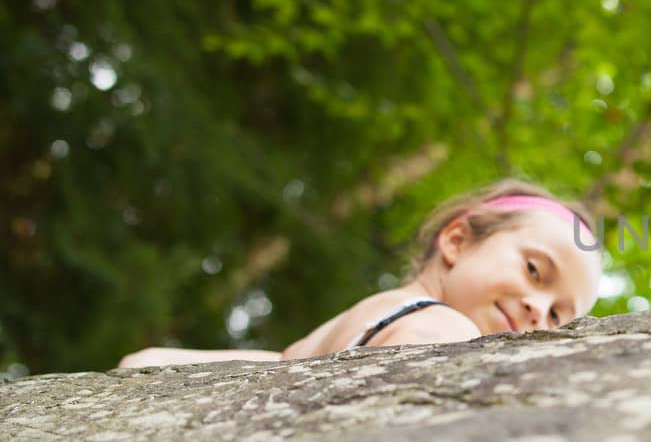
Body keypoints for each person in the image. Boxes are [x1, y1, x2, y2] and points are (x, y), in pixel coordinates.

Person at [118, 180, 603, 367]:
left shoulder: (315, 343)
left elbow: (144, 363)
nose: (540, 310)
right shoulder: (446, 330)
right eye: (535, 270)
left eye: (561, 316)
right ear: (457, 240)